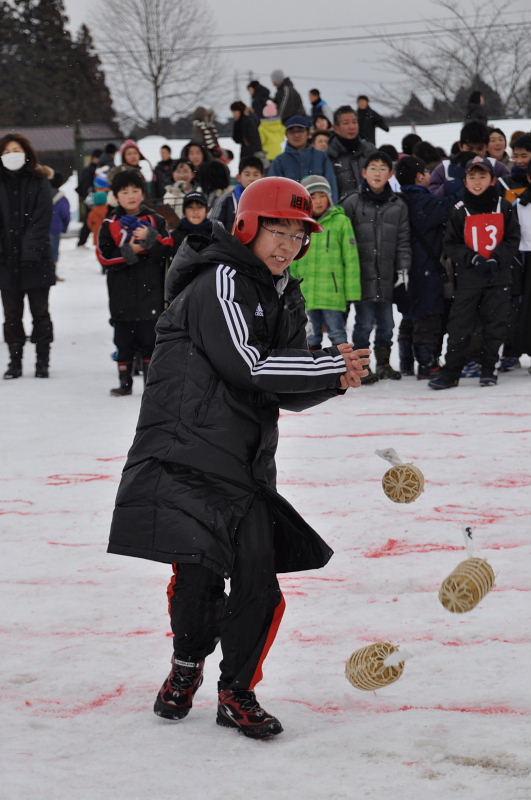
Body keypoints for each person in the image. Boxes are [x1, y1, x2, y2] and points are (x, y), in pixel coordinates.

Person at [107, 175, 369, 740]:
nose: (285, 245)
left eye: (297, 235)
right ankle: (185, 666)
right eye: (277, 230)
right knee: (199, 578)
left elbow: (284, 383)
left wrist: (336, 375)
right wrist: (327, 366)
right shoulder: (218, 282)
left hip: (244, 463)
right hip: (184, 454)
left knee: (259, 585)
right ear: (249, 228)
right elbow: (247, 365)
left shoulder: (282, 292)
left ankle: (237, 690)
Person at [429, 158, 520, 390]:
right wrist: (473, 258)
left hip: (498, 276)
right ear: (465, 180)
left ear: (491, 180)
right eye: (472, 177)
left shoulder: (504, 206)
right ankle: (451, 373)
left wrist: (496, 258)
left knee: (496, 324)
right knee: (459, 325)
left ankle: (489, 369)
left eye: (482, 177)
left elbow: (512, 239)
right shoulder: (460, 208)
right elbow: (450, 243)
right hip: (469, 277)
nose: (477, 182)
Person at [96, 170, 175, 396]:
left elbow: (167, 250)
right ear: (116, 196)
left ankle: (151, 384)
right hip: (121, 292)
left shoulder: (156, 220)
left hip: (151, 290)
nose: (130, 195)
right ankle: (125, 382)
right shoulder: (109, 223)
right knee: (123, 341)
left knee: (150, 339)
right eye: (124, 191)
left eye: (135, 190)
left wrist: (151, 239)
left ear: (143, 193)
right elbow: (105, 257)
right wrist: (131, 251)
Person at [342, 151, 411, 383]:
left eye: (383, 168)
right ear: (363, 173)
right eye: (373, 168)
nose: (378, 173)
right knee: (363, 324)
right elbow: (344, 240)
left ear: (390, 173)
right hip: (361, 277)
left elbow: (403, 240)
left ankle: (383, 364)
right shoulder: (352, 202)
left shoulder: (398, 205)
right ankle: (362, 367)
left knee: (387, 324)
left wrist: (403, 269)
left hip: (387, 276)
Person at [0, 133, 54, 379]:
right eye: (7, 151)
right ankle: (15, 360)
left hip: (36, 259)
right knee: (11, 314)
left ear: (27, 153)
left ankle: (43, 360)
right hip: (5, 260)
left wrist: (29, 250)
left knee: (40, 311)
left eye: (17, 150)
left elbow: (42, 219)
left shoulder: (39, 180)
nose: (12, 155)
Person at [395, 156, 453, 378]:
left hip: (407, 267)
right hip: (426, 267)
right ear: (420, 177)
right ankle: (427, 364)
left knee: (410, 315)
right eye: (427, 172)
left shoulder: (398, 200)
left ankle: (407, 362)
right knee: (428, 316)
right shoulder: (425, 202)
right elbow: (449, 206)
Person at [290, 175, 360, 349]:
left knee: (337, 333)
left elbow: (350, 258)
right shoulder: (300, 224)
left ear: (329, 197)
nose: (318, 201)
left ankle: (344, 369)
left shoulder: (341, 222)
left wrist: (352, 292)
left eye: (322, 196)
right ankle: (312, 371)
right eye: (312, 197)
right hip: (306, 293)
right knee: (310, 336)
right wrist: (291, 287)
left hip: (332, 293)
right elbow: (294, 258)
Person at [429, 122, 509, 197]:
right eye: (469, 148)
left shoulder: (497, 167)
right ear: (460, 146)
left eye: (479, 149)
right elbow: (432, 198)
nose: (474, 153)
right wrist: (448, 186)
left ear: (487, 147)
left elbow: (510, 194)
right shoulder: (445, 169)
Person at [269, 115, 338, 202]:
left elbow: (331, 185)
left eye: (300, 131)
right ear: (286, 135)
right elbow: (273, 191)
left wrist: (332, 208)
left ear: (308, 134)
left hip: (321, 212)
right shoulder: (279, 162)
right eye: (292, 131)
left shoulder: (321, 157)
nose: (296, 135)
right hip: (290, 212)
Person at [327, 105, 377, 200]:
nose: (352, 127)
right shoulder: (329, 155)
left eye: (354, 122)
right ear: (336, 128)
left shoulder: (369, 150)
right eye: (346, 123)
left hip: (370, 207)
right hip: (342, 210)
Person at [210, 156, 264, 232]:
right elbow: (213, 225)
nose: (251, 179)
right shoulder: (226, 199)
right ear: (239, 177)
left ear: (262, 177)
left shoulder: (268, 200)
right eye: (247, 174)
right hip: (230, 242)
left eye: (255, 175)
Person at [75, 148, 102, 246]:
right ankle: (82, 241)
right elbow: (87, 185)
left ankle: (82, 241)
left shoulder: (89, 169)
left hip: (90, 198)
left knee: (89, 220)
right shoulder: (93, 170)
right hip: (93, 198)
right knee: (90, 220)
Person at [49, 172, 70, 281]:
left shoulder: (39, 194)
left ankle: (43, 273)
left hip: (39, 228)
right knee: (53, 252)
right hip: (55, 228)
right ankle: (52, 273)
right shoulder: (61, 198)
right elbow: (65, 214)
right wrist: (65, 227)